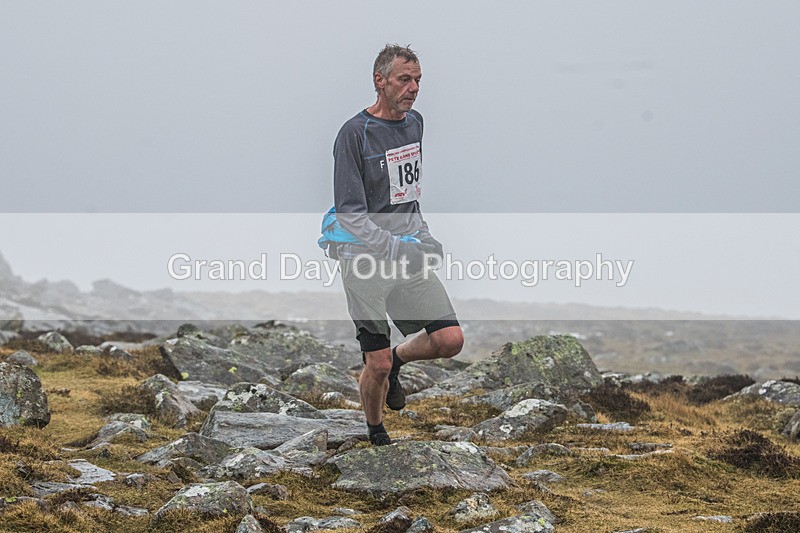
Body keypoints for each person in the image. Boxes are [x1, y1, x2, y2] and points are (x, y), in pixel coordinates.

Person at [329, 44, 464, 446]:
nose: (414, 88)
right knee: (378, 363)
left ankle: (401, 361)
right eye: (404, 79)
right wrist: (395, 248)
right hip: (363, 261)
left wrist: (424, 235)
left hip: (407, 252)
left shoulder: (414, 124)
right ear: (380, 81)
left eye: (418, 80)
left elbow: (409, 194)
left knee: (449, 340)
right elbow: (350, 215)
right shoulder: (354, 134)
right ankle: (375, 433)